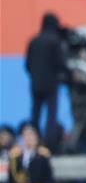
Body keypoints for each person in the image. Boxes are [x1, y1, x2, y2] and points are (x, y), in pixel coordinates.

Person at [26, 13, 65, 149]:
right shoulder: (55, 41)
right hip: (51, 85)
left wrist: (36, 76)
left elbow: (28, 65)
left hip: (35, 84)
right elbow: (60, 63)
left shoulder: (34, 41)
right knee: (51, 116)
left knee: (35, 115)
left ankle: (33, 143)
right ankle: (50, 145)